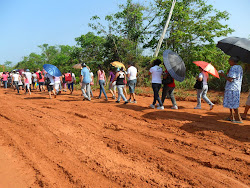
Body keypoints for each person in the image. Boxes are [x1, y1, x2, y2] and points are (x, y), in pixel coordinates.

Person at [219, 56, 243, 123]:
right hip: (236, 87)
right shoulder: (239, 67)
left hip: (232, 88)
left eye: (229, 61)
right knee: (232, 102)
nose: (229, 62)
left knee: (233, 103)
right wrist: (228, 73)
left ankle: (238, 118)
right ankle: (231, 116)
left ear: (232, 61)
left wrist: (223, 75)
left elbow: (230, 79)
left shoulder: (233, 68)